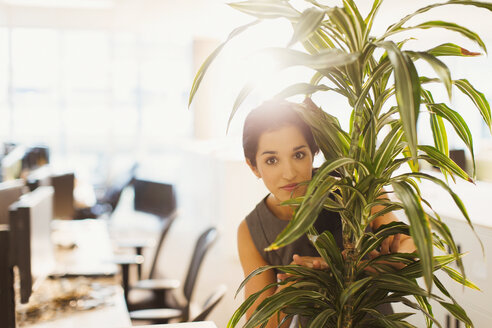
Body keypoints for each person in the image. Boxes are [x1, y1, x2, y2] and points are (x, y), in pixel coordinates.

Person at [237, 99, 416, 328]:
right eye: (272, 160)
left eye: (299, 155)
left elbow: (408, 249)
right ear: (253, 167)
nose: (289, 173)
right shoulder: (252, 230)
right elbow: (259, 325)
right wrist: (292, 290)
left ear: (314, 152)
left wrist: (380, 260)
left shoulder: (355, 187)